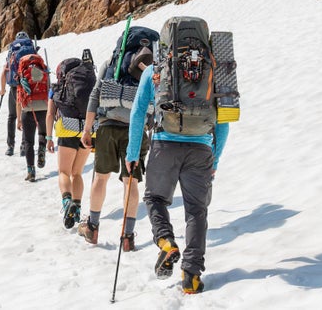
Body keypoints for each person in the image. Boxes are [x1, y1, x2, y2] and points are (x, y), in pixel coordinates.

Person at [125, 55, 230, 295]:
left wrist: (132, 153)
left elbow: (138, 112)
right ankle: (191, 276)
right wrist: (215, 156)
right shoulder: (214, 69)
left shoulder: (154, 70)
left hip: (164, 145)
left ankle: (166, 242)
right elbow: (224, 119)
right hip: (201, 147)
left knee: (155, 199)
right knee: (196, 211)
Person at [78, 53, 150, 251]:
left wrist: (87, 129)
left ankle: (92, 227)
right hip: (135, 129)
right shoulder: (151, 68)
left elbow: (95, 96)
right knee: (131, 181)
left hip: (108, 126)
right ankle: (127, 236)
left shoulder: (111, 62)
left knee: (100, 178)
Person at [45, 57, 95, 228]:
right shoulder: (88, 84)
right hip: (87, 132)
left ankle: (67, 203)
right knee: (77, 173)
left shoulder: (57, 87)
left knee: (64, 172)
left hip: (67, 130)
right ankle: (78, 208)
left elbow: (50, 114)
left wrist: (49, 138)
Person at [15, 51, 49, 181]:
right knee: (42, 132)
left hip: (28, 109)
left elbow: (19, 99)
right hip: (44, 107)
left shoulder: (22, 74)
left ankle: (31, 171)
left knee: (29, 141)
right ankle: (42, 147)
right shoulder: (43, 71)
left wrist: (18, 119)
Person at [0, 32, 34, 157]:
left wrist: (2, 89)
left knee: (12, 116)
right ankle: (24, 145)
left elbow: (4, 72)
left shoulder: (12, 53)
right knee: (26, 116)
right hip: (28, 88)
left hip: (14, 87)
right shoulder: (32, 52)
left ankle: (10, 146)